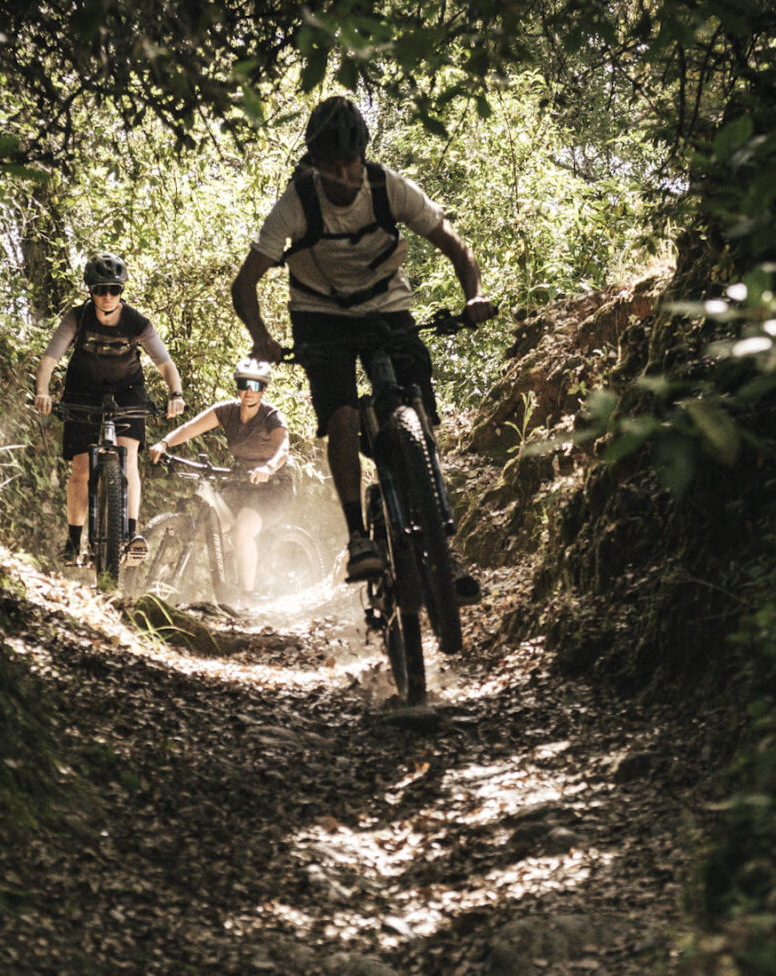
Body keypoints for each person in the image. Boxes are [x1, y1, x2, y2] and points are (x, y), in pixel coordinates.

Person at [229, 96, 493, 593]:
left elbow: (455, 245)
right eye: (333, 166)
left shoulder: (388, 188)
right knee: (343, 418)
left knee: (416, 405)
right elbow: (245, 284)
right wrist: (261, 337)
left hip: (386, 305)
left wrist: (474, 295)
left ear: (362, 157)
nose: (344, 175)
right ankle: (358, 538)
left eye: (351, 163)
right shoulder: (297, 203)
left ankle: (440, 541)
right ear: (315, 163)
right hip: (319, 316)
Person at [34, 252, 185, 566]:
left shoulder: (137, 322)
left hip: (128, 392)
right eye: (100, 289)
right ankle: (74, 541)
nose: (107, 296)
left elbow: (165, 363)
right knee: (81, 468)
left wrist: (176, 394)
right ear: (90, 290)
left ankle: (129, 535)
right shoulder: (77, 318)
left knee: (127, 458)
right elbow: (51, 358)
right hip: (82, 391)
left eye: (114, 290)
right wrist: (42, 392)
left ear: (121, 291)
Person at [148, 358, 293, 600]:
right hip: (241, 482)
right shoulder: (227, 411)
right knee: (211, 527)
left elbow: (283, 450)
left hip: (273, 486)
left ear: (264, 390)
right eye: (244, 384)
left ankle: (247, 597)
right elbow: (189, 429)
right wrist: (164, 443)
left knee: (242, 530)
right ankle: (224, 586)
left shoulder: (271, 416)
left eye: (256, 386)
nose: (249, 391)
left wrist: (268, 467)